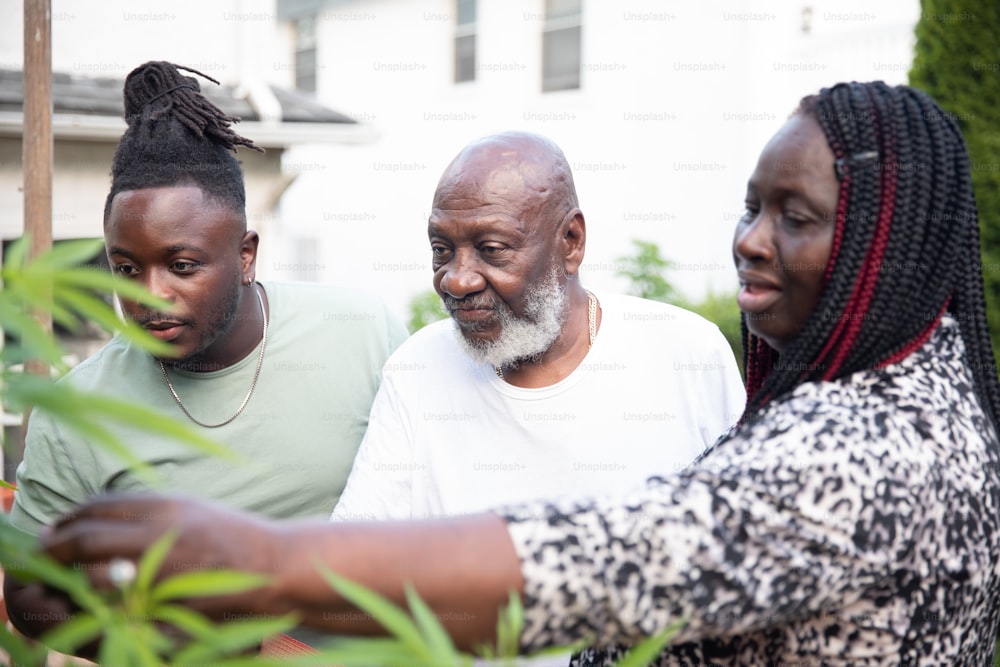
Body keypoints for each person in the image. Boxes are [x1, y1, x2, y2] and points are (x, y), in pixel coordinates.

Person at [37, 81, 1000, 664]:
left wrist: (256, 555)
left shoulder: (861, 453)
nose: (749, 241)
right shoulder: (914, 397)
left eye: (794, 215)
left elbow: (613, 561)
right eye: (751, 206)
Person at [4, 61, 407, 638]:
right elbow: (30, 596)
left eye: (182, 265)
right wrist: (234, 648)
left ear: (245, 255)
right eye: (125, 268)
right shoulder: (78, 411)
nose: (149, 295)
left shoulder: (362, 331)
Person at [332, 131, 745, 522]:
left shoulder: (687, 354)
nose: (457, 280)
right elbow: (352, 560)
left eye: (491, 249)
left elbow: (751, 538)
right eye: (441, 250)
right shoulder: (418, 369)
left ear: (570, 241)